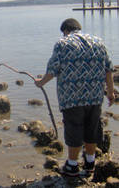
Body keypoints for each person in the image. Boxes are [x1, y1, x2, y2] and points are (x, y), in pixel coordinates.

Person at [34, 18, 115, 177]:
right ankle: (90, 163)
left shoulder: (62, 44)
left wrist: (40, 83)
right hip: (95, 96)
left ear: (65, 31)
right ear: (79, 28)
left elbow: (53, 70)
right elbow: (108, 69)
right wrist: (111, 92)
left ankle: (72, 166)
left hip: (72, 97)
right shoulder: (98, 42)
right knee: (92, 128)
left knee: (74, 129)